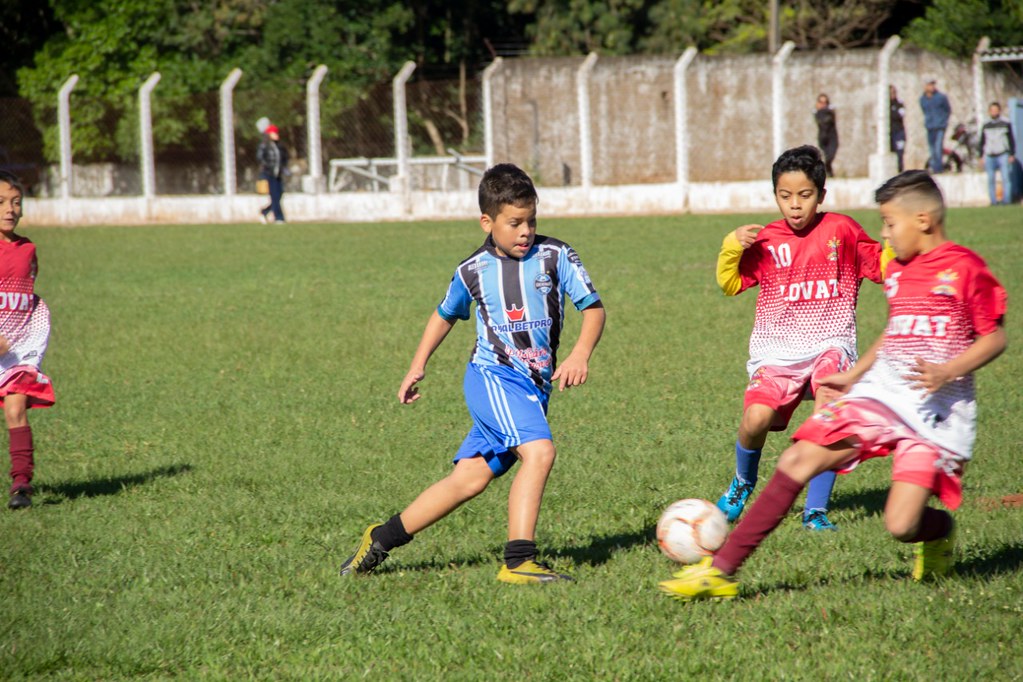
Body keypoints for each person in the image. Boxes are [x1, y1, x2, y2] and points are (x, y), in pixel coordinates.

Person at [661, 170, 1007, 600]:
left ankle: (940, 532)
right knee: (798, 458)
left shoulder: (965, 268)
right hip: (884, 393)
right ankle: (721, 571)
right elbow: (896, 332)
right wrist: (856, 373)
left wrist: (947, 370)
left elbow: (995, 335)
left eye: (889, 223)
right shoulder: (899, 270)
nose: (883, 233)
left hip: (935, 410)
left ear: (922, 219)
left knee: (902, 525)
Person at [338, 164, 606, 584]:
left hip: (532, 387)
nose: (525, 231)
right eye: (514, 222)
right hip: (492, 378)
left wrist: (579, 355)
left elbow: (592, 308)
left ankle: (381, 537)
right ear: (487, 221)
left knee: (470, 479)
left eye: (531, 220)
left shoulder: (556, 256)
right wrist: (417, 365)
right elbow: (444, 315)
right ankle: (519, 561)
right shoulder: (473, 269)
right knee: (539, 452)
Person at [713, 145, 885, 532]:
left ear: (821, 196)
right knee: (756, 418)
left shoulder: (842, 230)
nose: (794, 205)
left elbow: (882, 265)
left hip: (831, 342)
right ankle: (743, 483)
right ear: (775, 195)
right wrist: (730, 246)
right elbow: (730, 283)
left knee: (828, 411)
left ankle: (816, 510)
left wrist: (916, 259)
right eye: (785, 196)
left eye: (804, 196)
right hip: (776, 352)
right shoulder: (767, 239)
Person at [0, 171, 56, 510]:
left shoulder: (28, 249)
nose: (10, 209)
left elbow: (24, 294)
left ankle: (21, 483)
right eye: (1, 203)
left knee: (16, 406)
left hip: (21, 339)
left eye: (15, 202)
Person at [978, 101, 1016, 206]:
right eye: (992, 110)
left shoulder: (1005, 123)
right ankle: (993, 201)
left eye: (996, 110)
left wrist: (1012, 153)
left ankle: (1006, 201)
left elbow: (1011, 139)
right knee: (991, 179)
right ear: (989, 111)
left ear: (999, 111)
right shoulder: (986, 124)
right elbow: (982, 141)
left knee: (1005, 178)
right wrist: (981, 156)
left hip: (1002, 154)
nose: (994, 112)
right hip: (990, 155)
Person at [257, 124, 288, 224]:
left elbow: (284, 158)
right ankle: (279, 218)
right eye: (274, 132)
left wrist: (284, 168)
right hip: (270, 174)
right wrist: (267, 169)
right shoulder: (265, 145)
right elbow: (260, 158)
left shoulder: (279, 145)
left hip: (278, 174)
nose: (276, 134)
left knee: (279, 195)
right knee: (274, 196)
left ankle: (264, 211)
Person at [920, 79, 951, 173]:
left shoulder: (941, 97)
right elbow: (924, 111)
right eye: (929, 85)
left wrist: (943, 121)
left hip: (940, 126)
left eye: (932, 85)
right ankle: (934, 168)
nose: (931, 87)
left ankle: (938, 169)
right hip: (930, 127)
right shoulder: (923, 99)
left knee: (938, 147)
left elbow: (947, 110)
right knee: (932, 149)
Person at [814, 94, 838, 176]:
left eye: (825, 102)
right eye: (821, 102)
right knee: (825, 156)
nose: (823, 104)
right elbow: (820, 121)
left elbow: (829, 119)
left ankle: (829, 171)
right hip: (822, 138)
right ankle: (828, 172)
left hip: (832, 138)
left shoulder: (829, 112)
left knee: (830, 156)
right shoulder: (818, 113)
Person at [889, 85, 907, 172]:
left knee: (899, 153)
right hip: (889, 133)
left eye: (894, 92)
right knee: (890, 153)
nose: (892, 95)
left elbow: (900, 115)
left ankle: (900, 171)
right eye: (890, 93)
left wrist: (892, 113)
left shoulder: (899, 103)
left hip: (899, 132)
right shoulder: (884, 104)